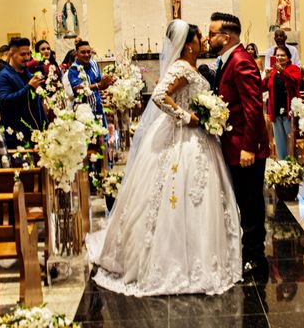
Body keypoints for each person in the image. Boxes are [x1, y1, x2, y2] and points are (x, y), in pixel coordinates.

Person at [86, 20, 242, 296]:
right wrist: (187, 117)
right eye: (199, 38)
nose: (203, 41)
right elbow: (159, 96)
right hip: (182, 138)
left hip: (196, 139)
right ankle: (172, 261)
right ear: (189, 43)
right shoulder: (181, 66)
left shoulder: (190, 67)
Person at [209, 12, 269, 276]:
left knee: (251, 202)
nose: (207, 38)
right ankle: (244, 249)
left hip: (244, 148)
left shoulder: (241, 61)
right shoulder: (228, 60)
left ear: (226, 36)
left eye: (212, 34)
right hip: (233, 145)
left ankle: (255, 257)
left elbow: (253, 107)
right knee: (243, 200)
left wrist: (248, 147)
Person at [0, 37, 46, 148]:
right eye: (22, 54)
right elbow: (5, 101)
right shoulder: (3, 76)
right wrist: (29, 87)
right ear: (11, 54)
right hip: (16, 136)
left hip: (36, 135)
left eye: (28, 54)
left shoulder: (29, 74)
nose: (27, 58)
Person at [263, 46, 301, 160]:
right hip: (275, 110)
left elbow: (295, 81)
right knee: (279, 142)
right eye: (278, 55)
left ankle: (294, 165)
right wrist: (266, 77)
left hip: (289, 110)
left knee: (291, 141)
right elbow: (262, 88)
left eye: (283, 55)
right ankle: (282, 166)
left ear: (288, 57)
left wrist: (282, 71)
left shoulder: (294, 68)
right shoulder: (273, 71)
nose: (280, 57)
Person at [67, 40, 114, 124]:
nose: (87, 55)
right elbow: (78, 90)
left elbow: (100, 83)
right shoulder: (73, 69)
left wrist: (108, 82)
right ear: (77, 54)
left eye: (89, 52)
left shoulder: (94, 63)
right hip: (84, 112)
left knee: (103, 135)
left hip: (98, 106)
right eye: (83, 52)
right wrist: (98, 85)